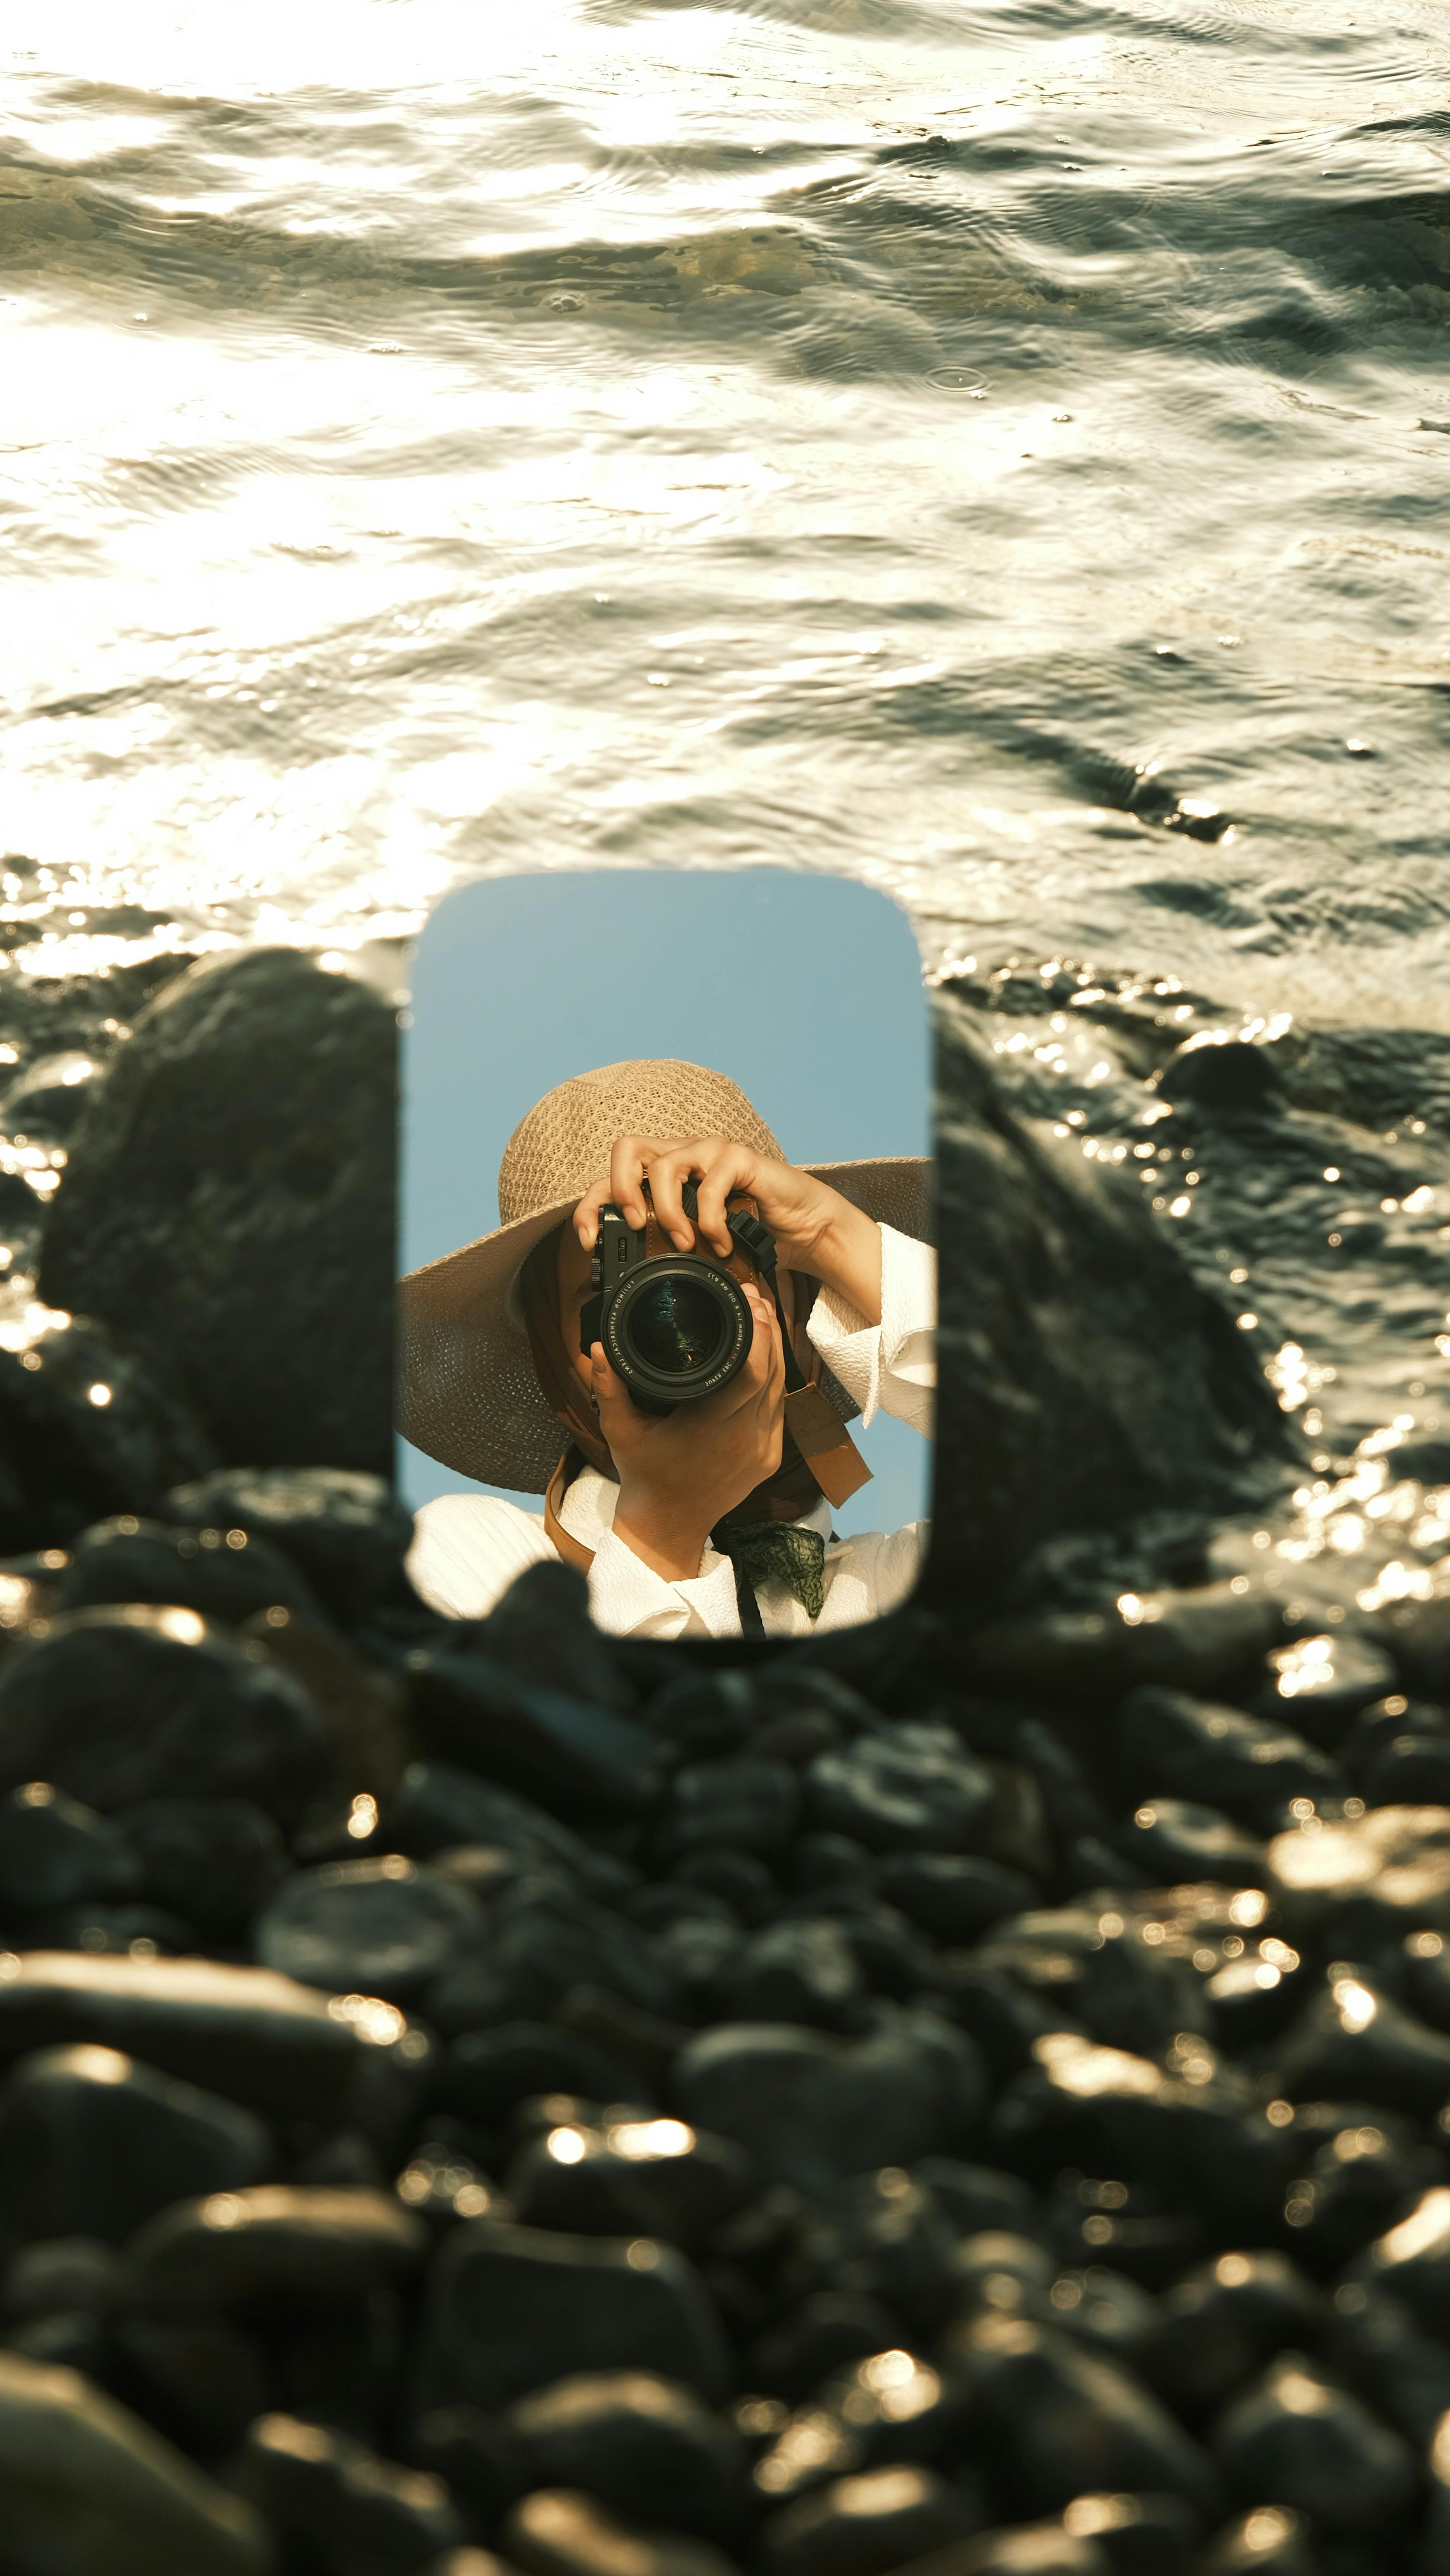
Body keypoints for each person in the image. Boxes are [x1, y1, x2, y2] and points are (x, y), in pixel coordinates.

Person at [398, 1057, 933, 1639]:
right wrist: (661, 1528)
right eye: (614, 1294)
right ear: (553, 1350)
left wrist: (832, 1237)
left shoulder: (899, 1586)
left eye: (715, 1270)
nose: (673, 1313)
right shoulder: (470, 1564)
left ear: (801, 1305)